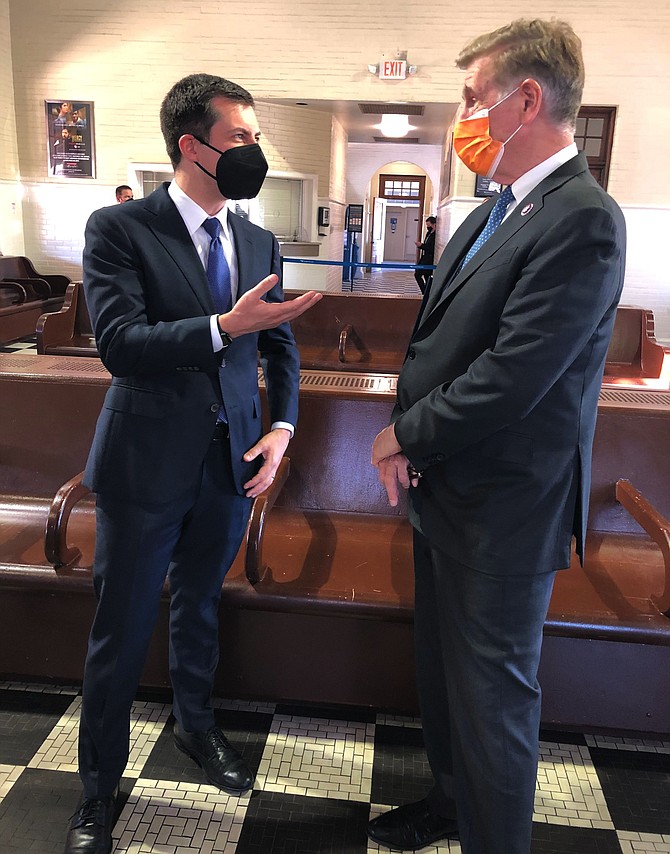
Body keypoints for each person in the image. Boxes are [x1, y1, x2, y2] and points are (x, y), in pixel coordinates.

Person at [369, 18, 625, 854]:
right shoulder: (494, 212)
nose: (462, 114)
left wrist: (402, 434)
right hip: (450, 488)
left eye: (473, 96)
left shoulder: (582, 218)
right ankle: (451, 806)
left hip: (508, 509)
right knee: (446, 687)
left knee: (494, 703)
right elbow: (445, 335)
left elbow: (516, 374)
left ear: (526, 99)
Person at [64, 73, 321, 854]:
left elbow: (277, 344)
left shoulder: (254, 238)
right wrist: (218, 325)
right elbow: (119, 346)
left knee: (200, 606)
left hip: (230, 461)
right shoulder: (119, 229)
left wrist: (280, 424)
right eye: (241, 137)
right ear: (193, 145)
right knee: (121, 629)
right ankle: (98, 791)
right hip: (144, 464)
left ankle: (197, 729)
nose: (254, 151)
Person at [413, 215, 436, 293]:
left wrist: (421, 245)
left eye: (428, 225)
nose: (427, 227)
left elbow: (431, 247)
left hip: (429, 259)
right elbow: (426, 245)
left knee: (418, 274)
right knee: (426, 276)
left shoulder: (435, 235)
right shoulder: (429, 233)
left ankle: (425, 292)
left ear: (434, 224)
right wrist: (421, 246)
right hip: (424, 257)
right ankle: (426, 292)